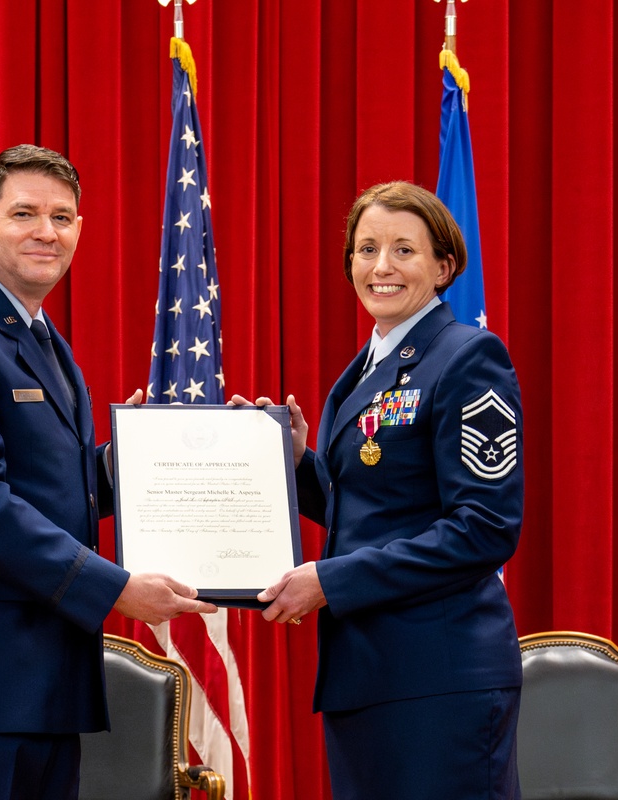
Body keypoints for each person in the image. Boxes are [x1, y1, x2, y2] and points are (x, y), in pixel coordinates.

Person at [0, 144, 216, 800]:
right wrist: (115, 588)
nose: (47, 232)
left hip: (47, 685)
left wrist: (148, 458)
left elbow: (59, 490)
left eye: (63, 217)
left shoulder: (46, 343)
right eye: (25, 213)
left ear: (80, 230)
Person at [241, 181, 524, 799]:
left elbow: (483, 528)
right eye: (366, 249)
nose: (381, 267)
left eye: (404, 250)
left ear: (444, 265)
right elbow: (369, 507)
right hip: (370, 673)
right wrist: (292, 465)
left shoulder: (468, 357)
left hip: (438, 676)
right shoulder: (372, 367)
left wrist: (331, 581)